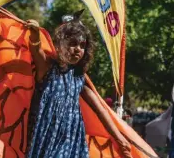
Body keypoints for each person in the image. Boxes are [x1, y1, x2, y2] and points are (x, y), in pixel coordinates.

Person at [25, 11, 132, 158]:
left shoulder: (78, 78)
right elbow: (36, 50)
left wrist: (120, 139)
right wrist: (35, 34)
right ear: (59, 44)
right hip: (46, 138)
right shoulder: (48, 68)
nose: (78, 49)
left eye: (82, 45)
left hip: (71, 142)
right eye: (73, 43)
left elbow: (100, 110)